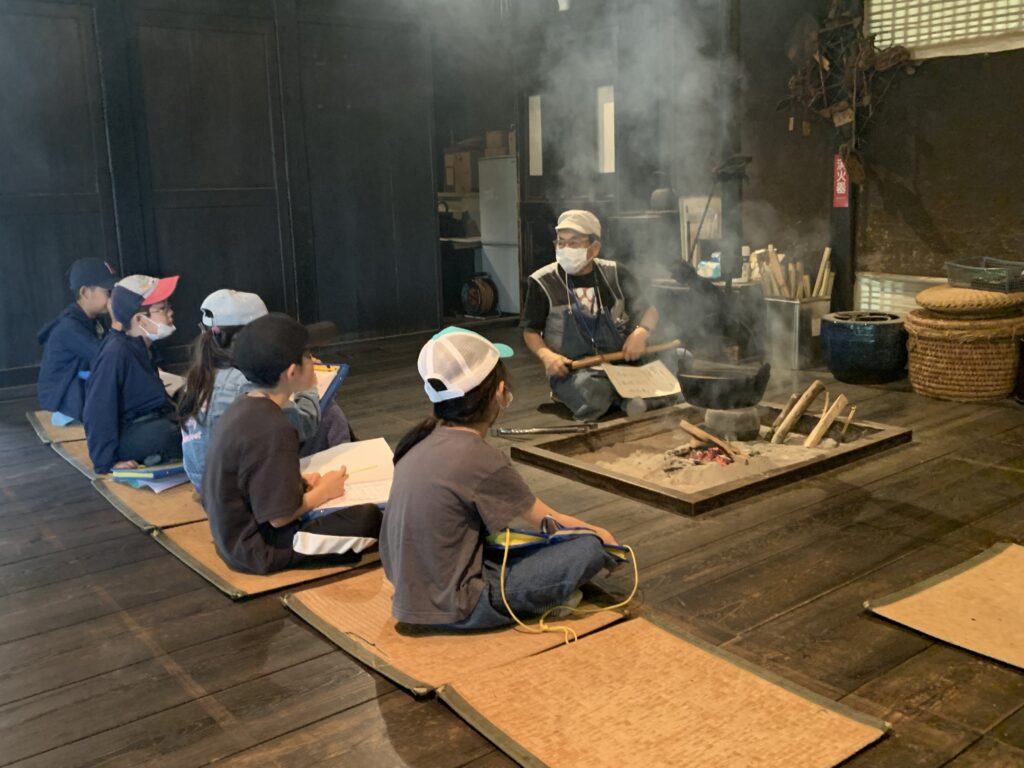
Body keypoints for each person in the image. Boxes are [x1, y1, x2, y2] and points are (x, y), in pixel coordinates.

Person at [380, 327, 618, 630]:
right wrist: (602, 537)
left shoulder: (420, 440)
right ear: (499, 392)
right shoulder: (479, 457)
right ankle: (547, 600)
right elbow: (550, 521)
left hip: (410, 594)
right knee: (588, 548)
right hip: (459, 607)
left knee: (511, 545)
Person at [201, 313, 381, 575]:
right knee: (369, 519)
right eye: (307, 356)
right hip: (261, 549)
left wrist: (300, 483)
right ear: (292, 372)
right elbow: (280, 518)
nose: (314, 361)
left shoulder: (244, 406)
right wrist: (324, 492)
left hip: (232, 538)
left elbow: (253, 478)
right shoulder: (275, 426)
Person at [177, 289, 353, 491]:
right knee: (327, 412)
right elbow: (304, 424)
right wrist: (308, 384)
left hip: (204, 480)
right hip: (237, 488)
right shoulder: (246, 383)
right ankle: (342, 478)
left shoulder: (198, 374)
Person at [520, 209, 672, 421]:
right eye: (561, 242)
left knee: (676, 360)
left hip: (621, 365)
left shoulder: (616, 273)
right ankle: (635, 401)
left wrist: (640, 333)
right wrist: (547, 356)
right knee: (593, 391)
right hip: (577, 371)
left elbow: (650, 312)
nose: (565, 249)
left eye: (574, 243)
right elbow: (531, 331)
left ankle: (629, 400)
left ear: (594, 248)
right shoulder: (542, 281)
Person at [82, 274, 183, 473]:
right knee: (174, 433)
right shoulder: (116, 353)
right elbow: (97, 411)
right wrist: (107, 462)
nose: (170, 313)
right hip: (129, 433)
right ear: (139, 319)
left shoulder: (141, 346)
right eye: (162, 309)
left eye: (168, 306)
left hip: (150, 421)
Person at [37, 258, 118, 424]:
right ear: (85, 292)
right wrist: (118, 320)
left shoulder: (92, 319)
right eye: (108, 292)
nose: (113, 299)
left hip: (79, 378)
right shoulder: (69, 327)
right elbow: (106, 357)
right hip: (62, 394)